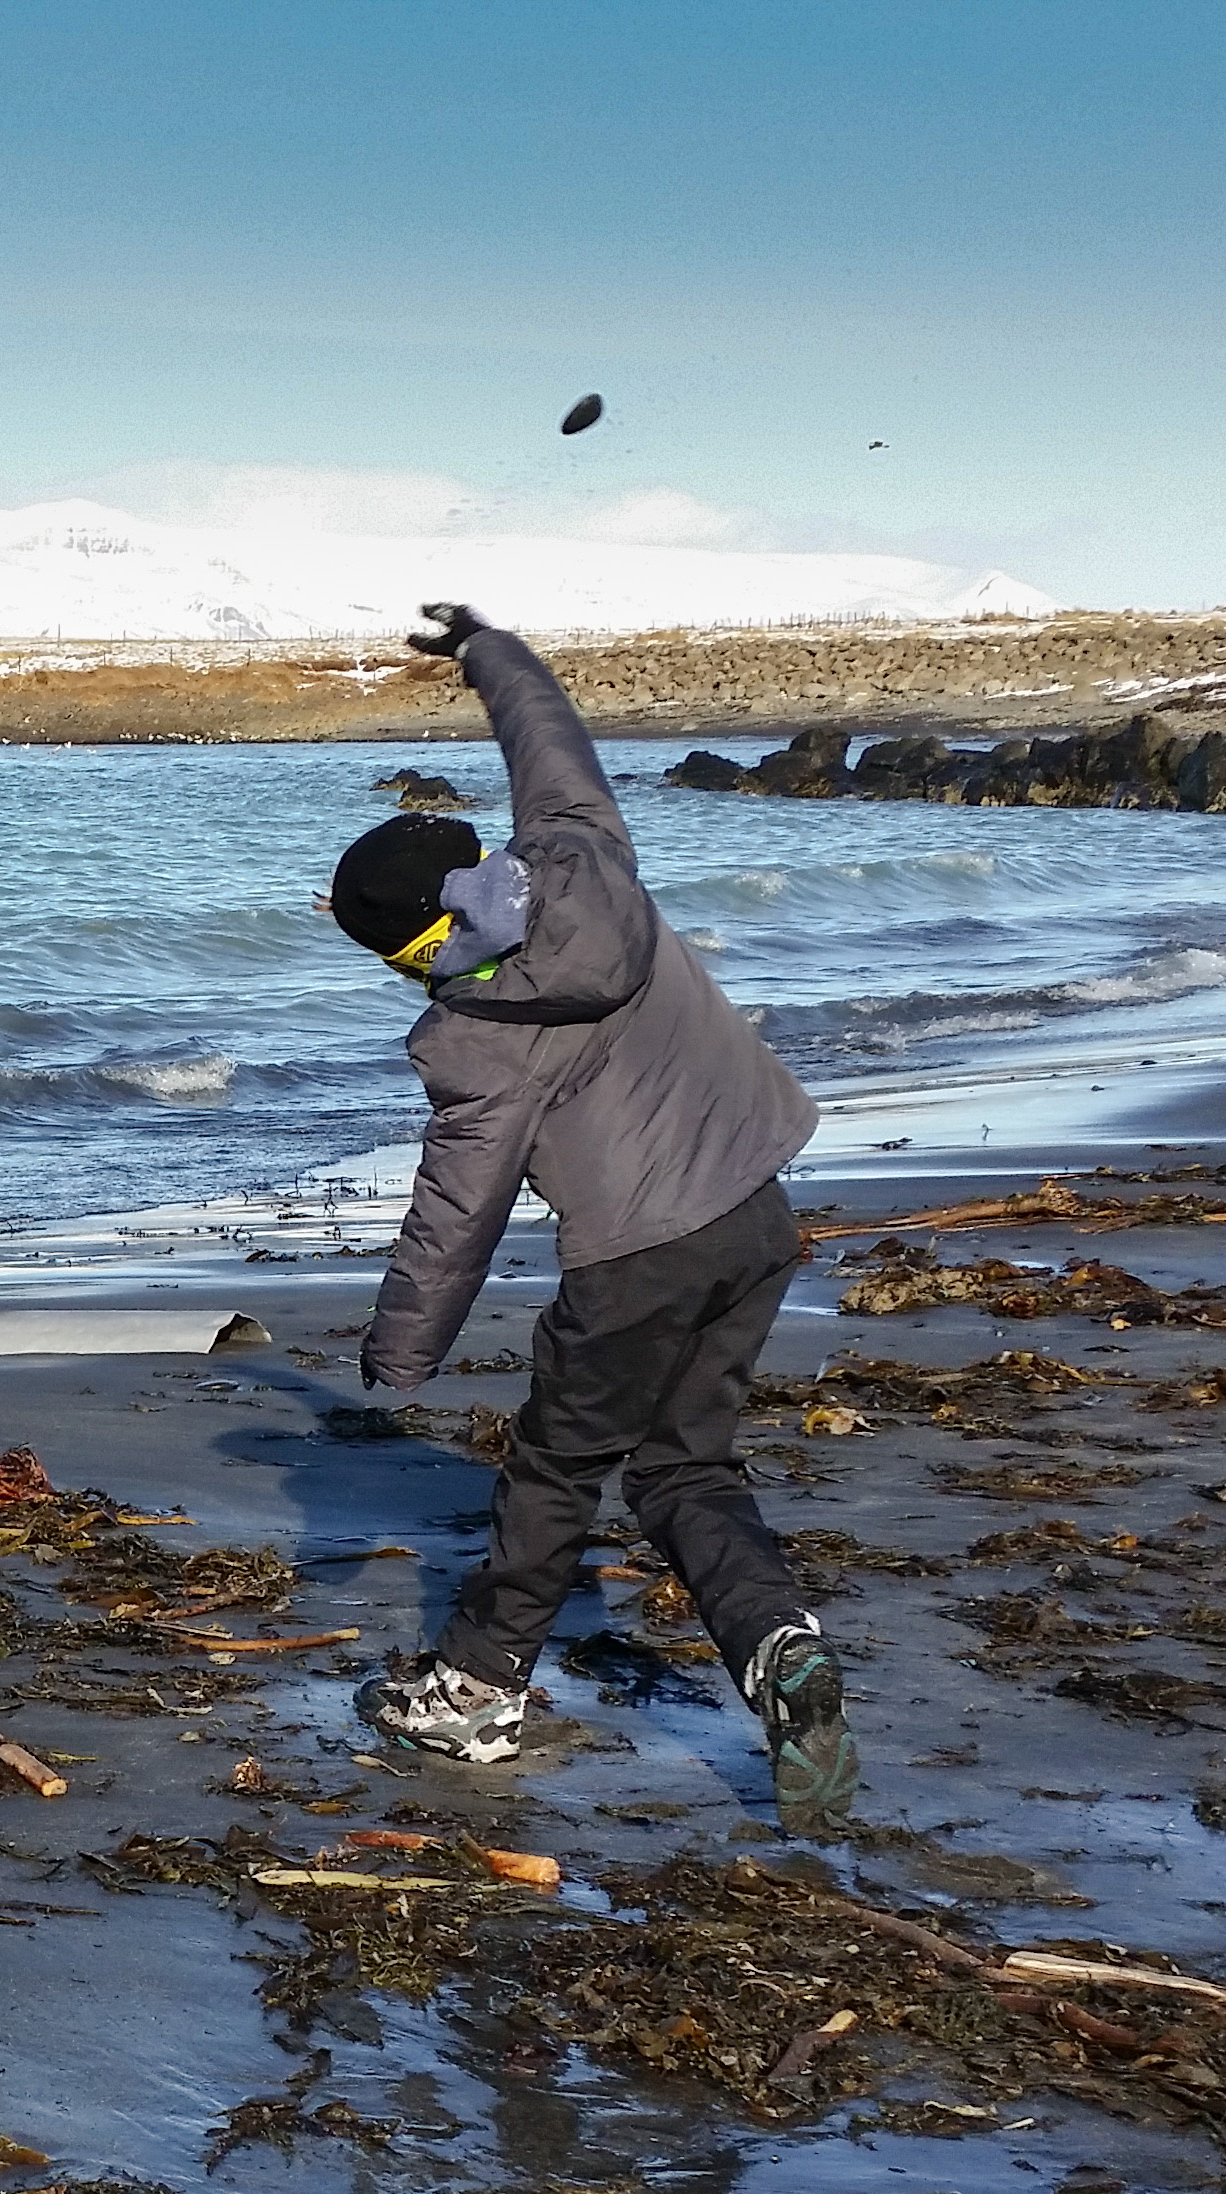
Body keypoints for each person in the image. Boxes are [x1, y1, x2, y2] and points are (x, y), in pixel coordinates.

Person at [338, 602, 856, 1830]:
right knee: (687, 1469)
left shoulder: (474, 1037)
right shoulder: (584, 854)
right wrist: (486, 649)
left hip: (636, 1262)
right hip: (754, 1216)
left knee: (558, 1469)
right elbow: (548, 739)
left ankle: (477, 1684)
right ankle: (776, 1642)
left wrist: (401, 1354)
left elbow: (454, 1212)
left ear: (406, 952)